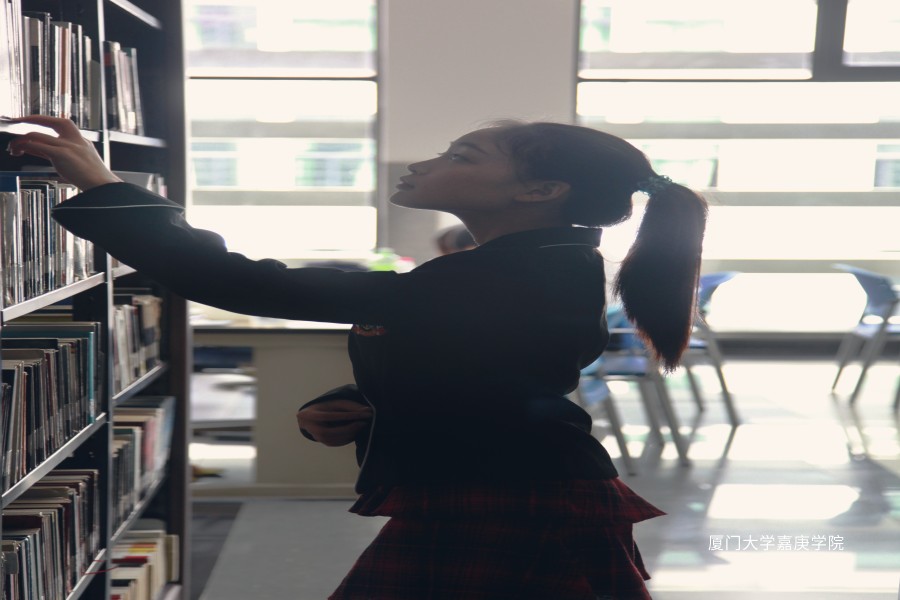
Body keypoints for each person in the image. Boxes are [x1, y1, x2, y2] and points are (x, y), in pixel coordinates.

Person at [8, 115, 707, 599]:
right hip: (513, 490)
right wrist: (364, 405)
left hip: (513, 504)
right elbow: (489, 374)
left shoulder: (509, 274)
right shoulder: (535, 265)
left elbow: (245, 283)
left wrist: (102, 187)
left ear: (540, 191)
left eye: (463, 157)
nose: (426, 163)